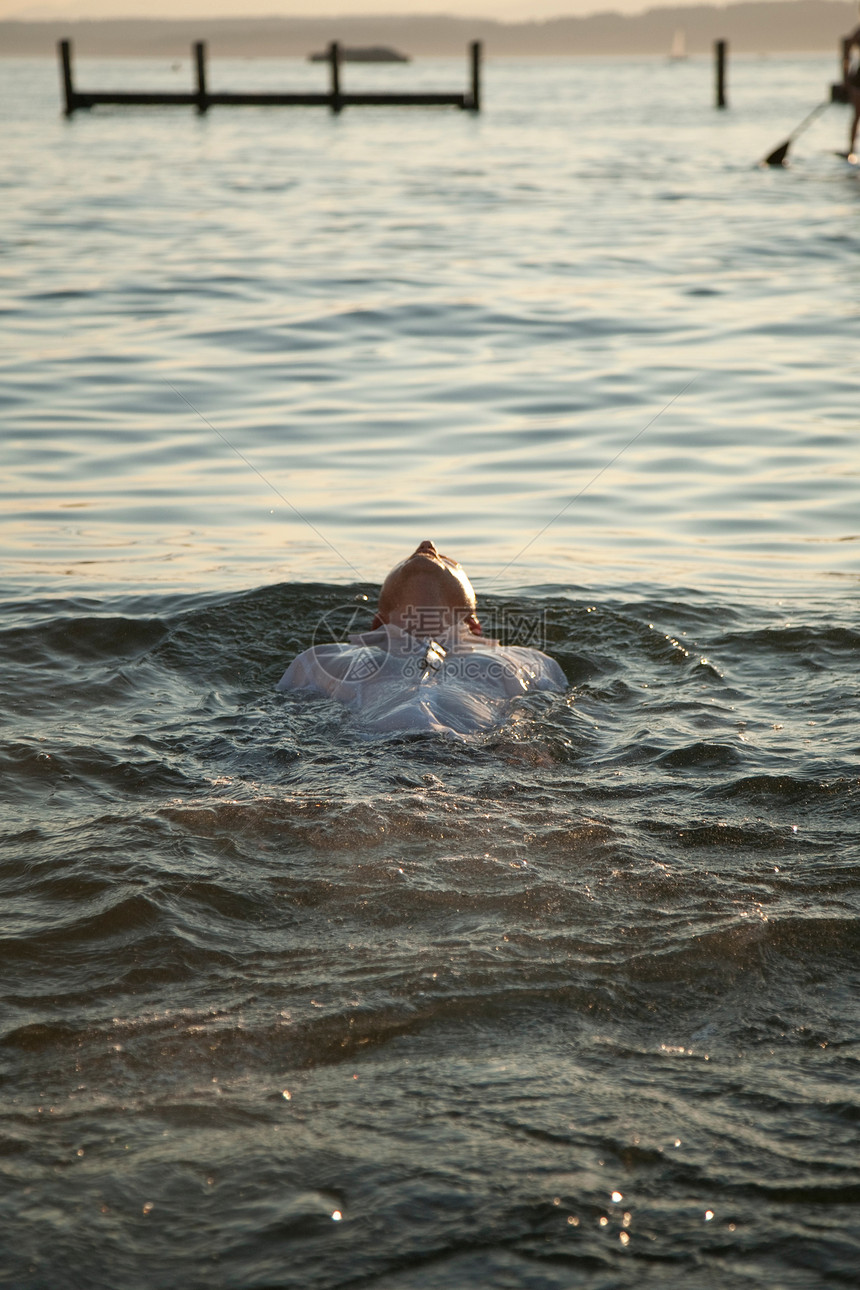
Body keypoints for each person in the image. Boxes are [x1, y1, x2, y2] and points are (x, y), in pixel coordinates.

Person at [277, 539, 567, 736]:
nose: (427, 546)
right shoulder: (321, 659)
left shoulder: (530, 661)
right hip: (377, 750)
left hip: (470, 751)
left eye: (447, 559)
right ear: (378, 624)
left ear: (474, 625)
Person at [844, 13, 860, 158]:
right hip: (858, 80)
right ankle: (851, 148)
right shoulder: (858, 32)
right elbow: (846, 49)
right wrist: (846, 78)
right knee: (857, 115)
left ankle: (851, 148)